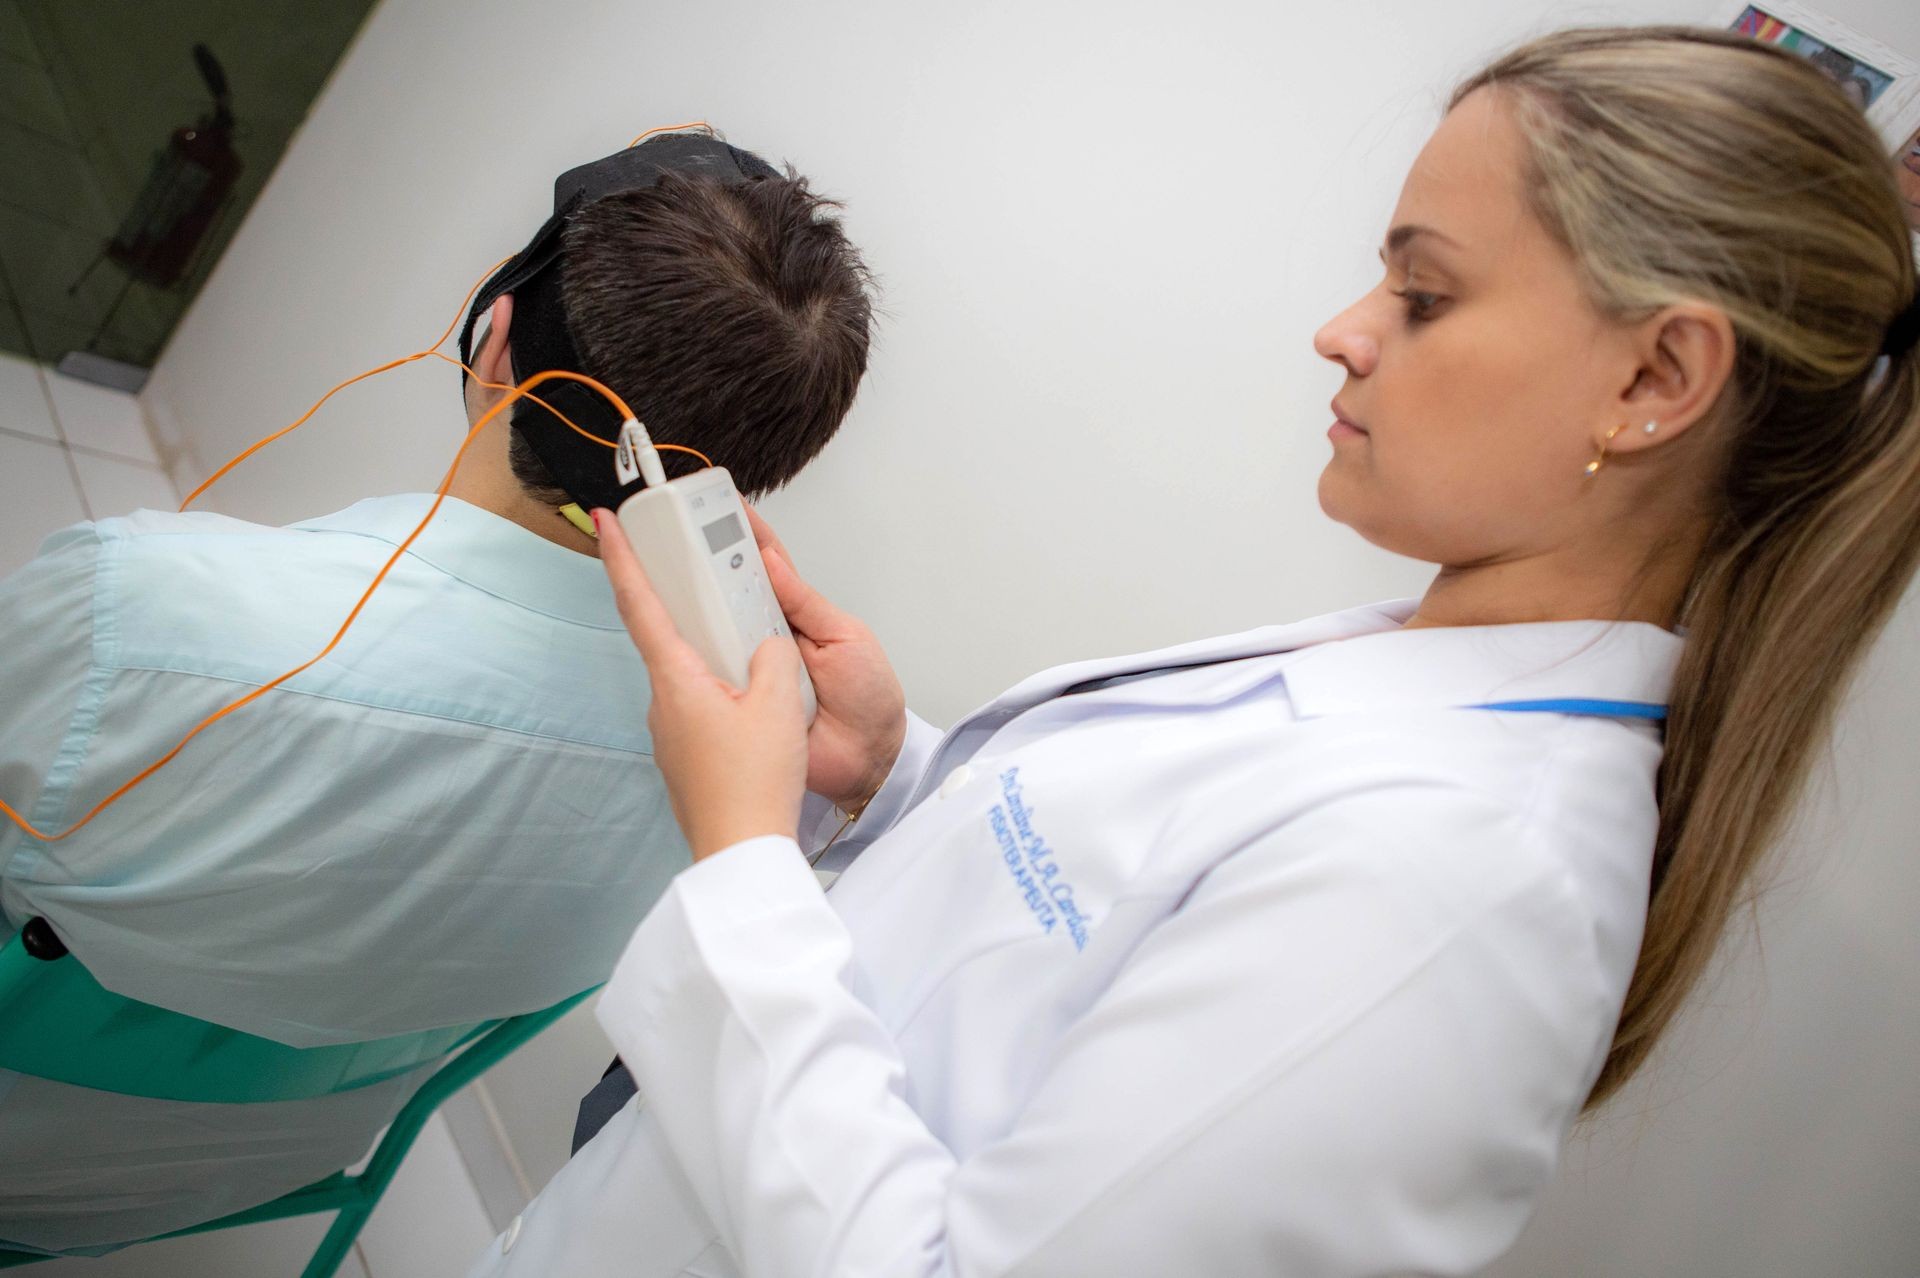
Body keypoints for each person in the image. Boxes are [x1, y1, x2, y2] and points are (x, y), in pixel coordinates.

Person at [467, 26, 1920, 1278]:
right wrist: (897, 770)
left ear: (1656, 378)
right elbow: (1090, 942)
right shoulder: (1427, 672)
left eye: (1423, 293)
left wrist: (743, 854)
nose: (1342, 333)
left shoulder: (1468, 886)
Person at [0, 134, 873, 1254]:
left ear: (495, 335)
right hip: (252, 1162)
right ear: (742, 469)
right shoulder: (746, 797)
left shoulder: (143, 615)